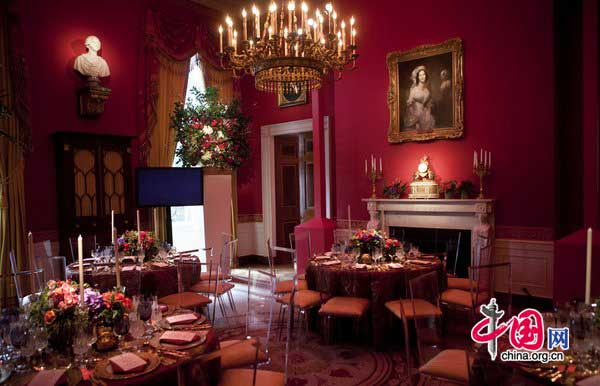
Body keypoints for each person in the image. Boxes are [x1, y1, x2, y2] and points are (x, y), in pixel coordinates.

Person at [404, 65, 435, 130]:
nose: (422, 77)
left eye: (423, 74)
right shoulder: (414, 89)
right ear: (418, 77)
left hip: (425, 117)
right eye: (420, 75)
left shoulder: (427, 91)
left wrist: (427, 113)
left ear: (426, 76)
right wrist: (416, 120)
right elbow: (409, 106)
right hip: (414, 118)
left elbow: (427, 107)